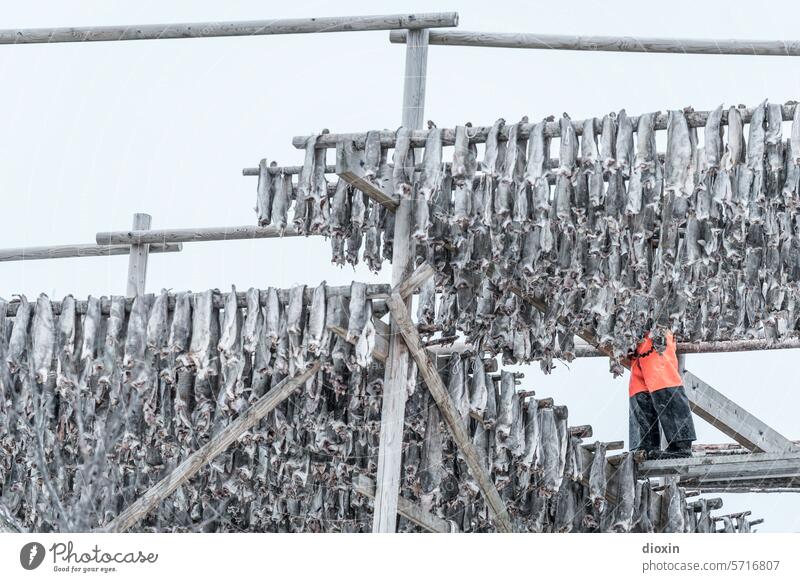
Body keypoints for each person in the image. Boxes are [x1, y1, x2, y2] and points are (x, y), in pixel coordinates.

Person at [628, 331, 696, 459]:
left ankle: (681, 444)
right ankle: (645, 447)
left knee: (663, 381)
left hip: (656, 335)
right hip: (637, 340)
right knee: (638, 389)